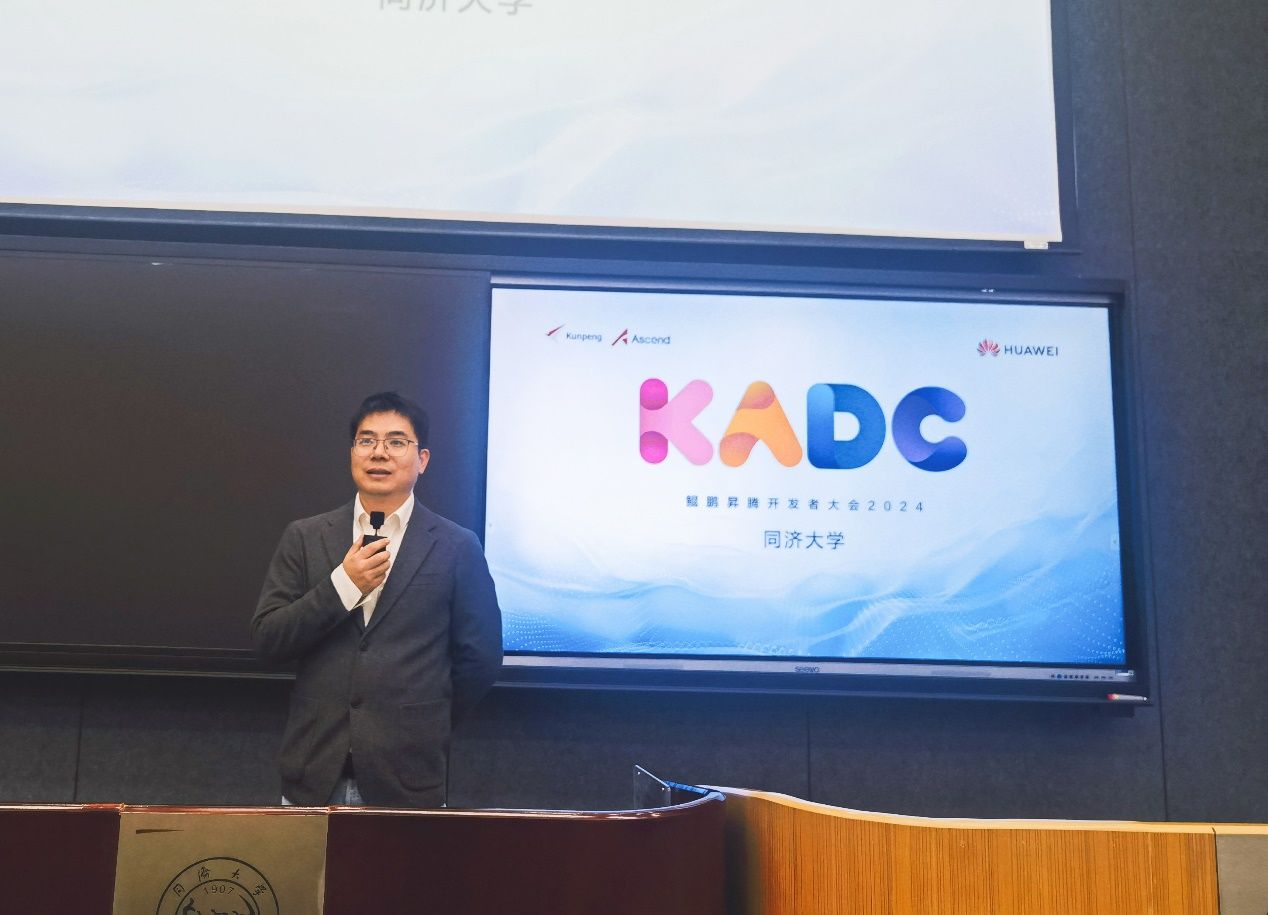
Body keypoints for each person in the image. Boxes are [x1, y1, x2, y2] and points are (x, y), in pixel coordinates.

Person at [252, 391, 502, 807]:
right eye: (366, 440)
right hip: (313, 771)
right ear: (352, 453)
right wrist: (343, 586)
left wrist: (427, 718)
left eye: (396, 442)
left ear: (422, 459)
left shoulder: (457, 546)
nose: (379, 453)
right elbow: (269, 639)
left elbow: (481, 658)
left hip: (410, 775)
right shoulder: (305, 537)